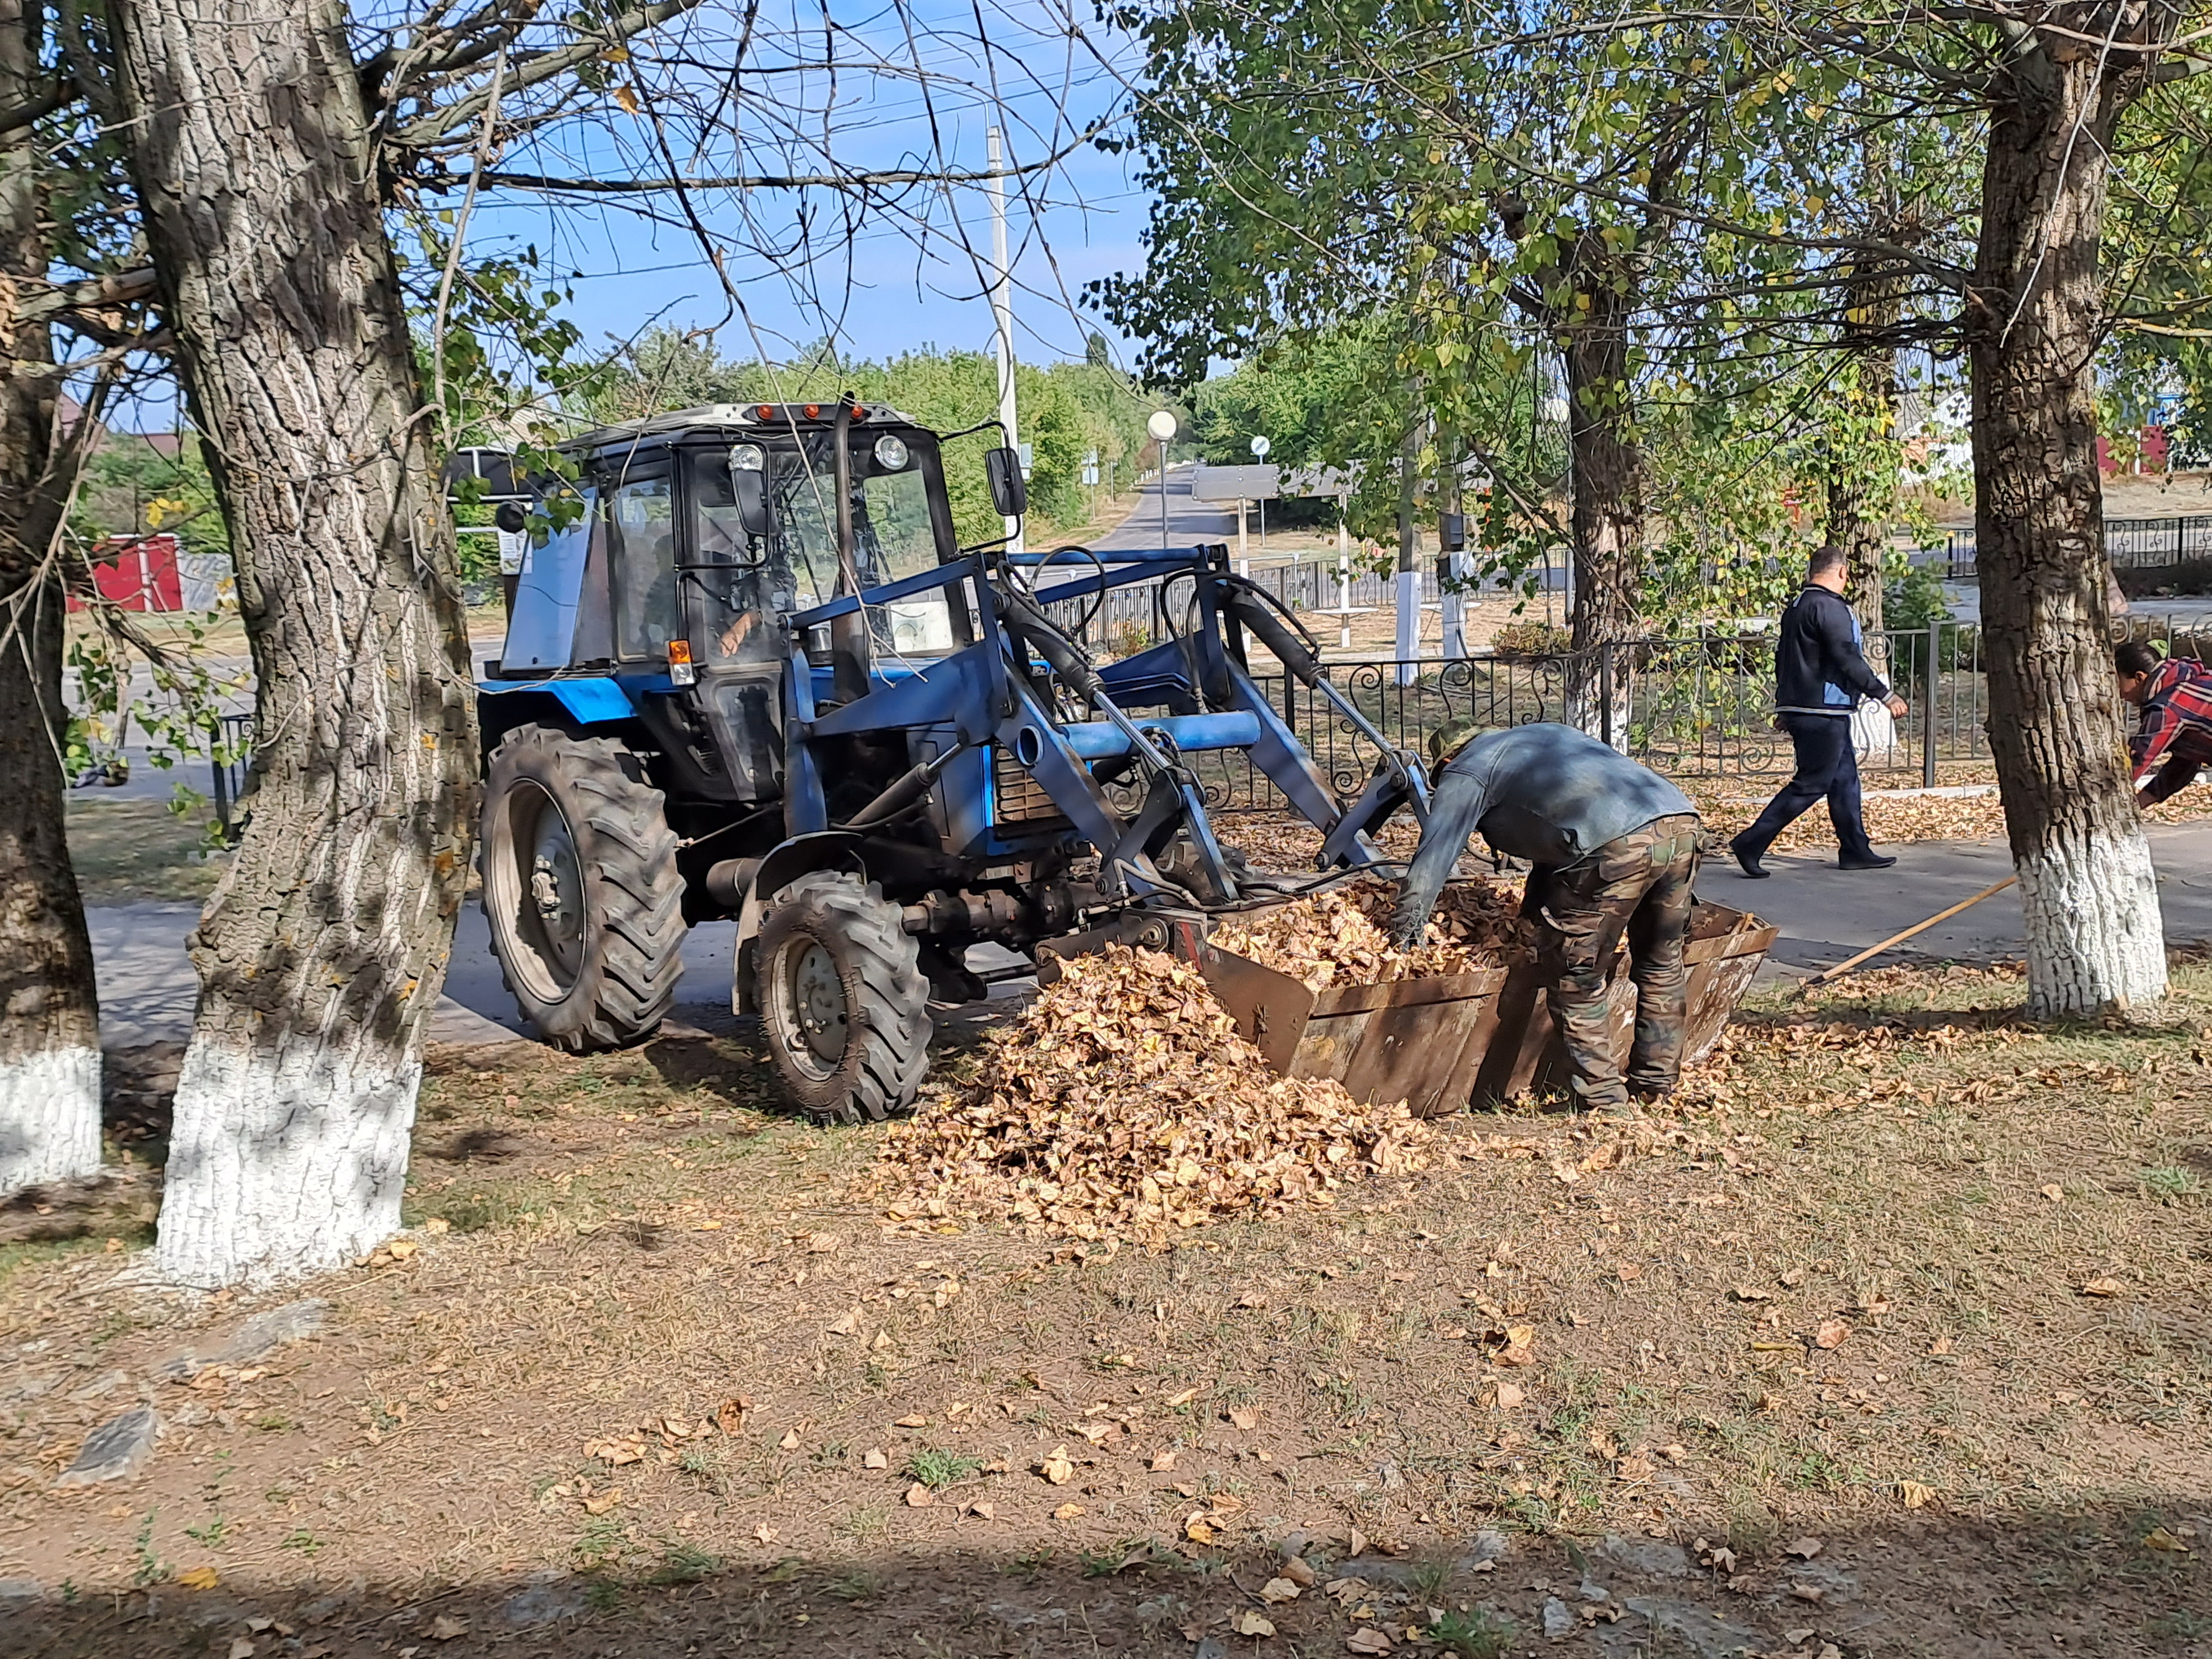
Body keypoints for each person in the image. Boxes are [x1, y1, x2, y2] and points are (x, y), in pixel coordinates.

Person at [1389, 718, 1703, 1112]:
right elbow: (1555, 842)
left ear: (1449, 758)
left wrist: (1404, 935)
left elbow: (1432, 861)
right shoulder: (1545, 736)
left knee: (1578, 976)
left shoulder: (1467, 768)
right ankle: (1655, 1084)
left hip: (1616, 846)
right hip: (1680, 821)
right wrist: (1531, 915)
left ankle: (1604, 1102)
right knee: (1661, 963)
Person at [1728, 545, 1910, 878]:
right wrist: (1884, 694)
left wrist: (1785, 705)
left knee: (1844, 781)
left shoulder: (1797, 606)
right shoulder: (1830, 607)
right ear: (1842, 572)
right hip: (1822, 710)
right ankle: (1752, 842)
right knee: (1812, 782)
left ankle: (1855, 850)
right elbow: (1847, 657)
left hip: (1811, 708)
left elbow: (1785, 659)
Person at [2117, 639, 2212, 805]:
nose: (2118, 695)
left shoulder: (2167, 707)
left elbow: (2137, 761)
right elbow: (2184, 764)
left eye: (2117, 683)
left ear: (2139, 678)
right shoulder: (2185, 681)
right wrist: (2137, 804)